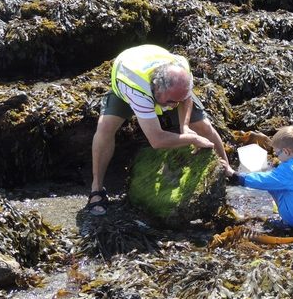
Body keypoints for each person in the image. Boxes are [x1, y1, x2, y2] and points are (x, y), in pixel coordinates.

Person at [89, 44, 229, 215]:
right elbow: (157, 140)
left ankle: (228, 171)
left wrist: (185, 126)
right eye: (170, 101)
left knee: (204, 126)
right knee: (105, 127)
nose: (173, 106)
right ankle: (96, 188)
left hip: (167, 81)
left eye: (177, 101)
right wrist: (192, 139)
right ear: (155, 89)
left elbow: (185, 99)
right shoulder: (136, 86)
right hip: (126, 85)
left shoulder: (182, 71)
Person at [221, 126, 293, 229]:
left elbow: (263, 181)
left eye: (276, 152)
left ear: (286, 152)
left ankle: (285, 222)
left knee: (273, 186)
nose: (275, 155)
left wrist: (235, 175)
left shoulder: (288, 170)